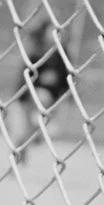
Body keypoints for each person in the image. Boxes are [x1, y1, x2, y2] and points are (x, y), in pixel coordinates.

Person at [10, 19, 70, 163]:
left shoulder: (63, 57)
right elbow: (24, 80)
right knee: (22, 132)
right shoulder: (37, 54)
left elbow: (66, 82)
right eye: (53, 33)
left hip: (48, 101)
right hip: (27, 98)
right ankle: (20, 157)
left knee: (41, 100)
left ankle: (38, 129)